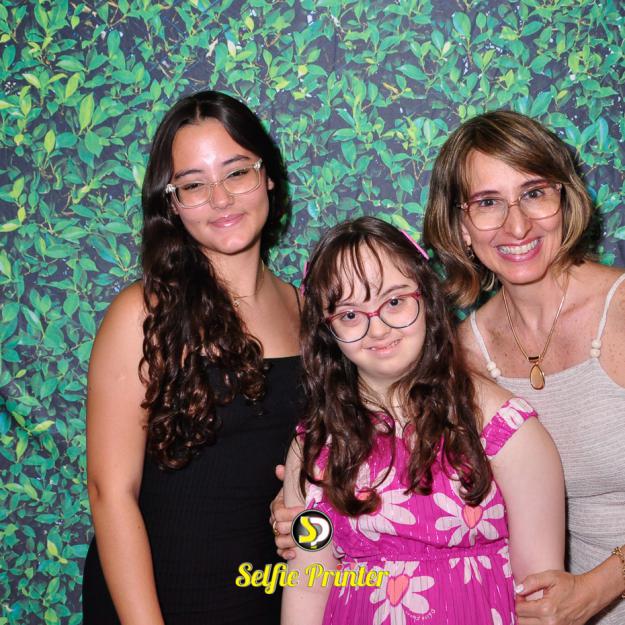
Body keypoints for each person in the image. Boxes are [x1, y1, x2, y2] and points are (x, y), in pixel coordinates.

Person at [82, 91, 302, 625]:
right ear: (172, 203)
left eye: (237, 172)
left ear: (268, 176)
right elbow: (111, 493)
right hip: (159, 603)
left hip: (266, 599)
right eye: (194, 184)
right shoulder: (142, 314)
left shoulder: (307, 310)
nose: (221, 199)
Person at [280, 217, 564, 625]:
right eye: (350, 314)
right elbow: (308, 582)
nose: (377, 328)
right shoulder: (314, 448)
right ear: (327, 331)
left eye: (395, 302)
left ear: (426, 299)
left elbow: (541, 597)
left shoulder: (505, 431)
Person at [423, 110, 625, 625]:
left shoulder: (621, 309)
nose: (517, 226)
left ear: (565, 200)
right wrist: (309, 510)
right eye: (488, 202)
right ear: (460, 226)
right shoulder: (463, 356)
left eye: (534, 193)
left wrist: (599, 587)